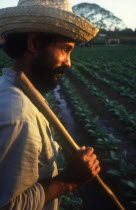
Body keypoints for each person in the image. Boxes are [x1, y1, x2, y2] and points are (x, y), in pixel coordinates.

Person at [0, 0, 100, 209]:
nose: (68, 62)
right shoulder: (19, 115)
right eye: (65, 49)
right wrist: (69, 180)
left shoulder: (12, 88)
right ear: (34, 43)